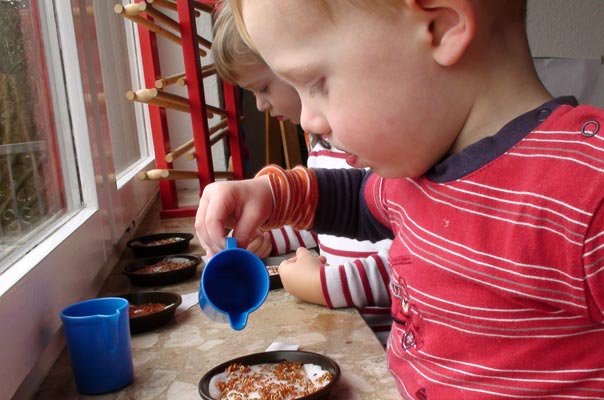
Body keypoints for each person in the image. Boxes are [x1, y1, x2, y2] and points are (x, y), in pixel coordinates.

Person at [196, 0, 604, 398]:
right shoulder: (414, 167)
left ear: (440, 28)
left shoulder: (587, 185)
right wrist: (269, 195)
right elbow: (357, 202)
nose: (308, 120)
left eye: (317, 83)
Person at [211, 1, 393, 345]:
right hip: (350, 331)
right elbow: (328, 227)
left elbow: (413, 260)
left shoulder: (387, 151)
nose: (261, 105)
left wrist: (323, 285)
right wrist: (270, 236)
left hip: (382, 342)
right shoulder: (322, 145)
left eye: (263, 88)